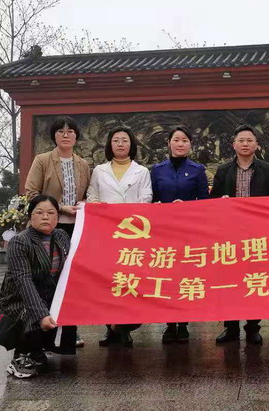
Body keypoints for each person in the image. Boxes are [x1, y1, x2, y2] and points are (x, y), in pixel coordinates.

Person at [24, 115, 90, 348]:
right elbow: (31, 193)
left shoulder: (83, 164)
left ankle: (71, 330)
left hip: (75, 229)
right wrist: (60, 208)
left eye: (70, 131)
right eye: (61, 131)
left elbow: (87, 195)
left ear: (76, 137)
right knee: (46, 277)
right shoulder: (42, 160)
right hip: (49, 227)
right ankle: (42, 327)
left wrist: (85, 204)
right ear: (54, 136)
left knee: (71, 279)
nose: (65, 135)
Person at [211, 124, 269, 344]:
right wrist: (220, 202)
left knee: (254, 281)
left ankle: (253, 327)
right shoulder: (223, 170)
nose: (245, 144)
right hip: (230, 235)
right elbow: (212, 202)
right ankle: (231, 327)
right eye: (241, 140)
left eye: (250, 140)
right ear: (234, 145)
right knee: (229, 282)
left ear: (256, 144)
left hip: (258, 234)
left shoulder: (268, 170)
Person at [87, 126, 152, 346]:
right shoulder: (99, 171)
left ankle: (125, 327)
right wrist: (101, 207)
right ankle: (110, 328)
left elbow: (146, 198)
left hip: (133, 233)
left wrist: (127, 213)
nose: (120, 144)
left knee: (130, 280)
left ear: (131, 145)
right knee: (109, 281)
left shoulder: (142, 172)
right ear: (109, 145)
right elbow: (92, 196)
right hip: (107, 233)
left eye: (125, 140)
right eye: (116, 140)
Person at [0, 195, 74, 379]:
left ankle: (42, 347)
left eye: (51, 213)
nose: (45, 217)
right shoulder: (20, 242)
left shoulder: (61, 236)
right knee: (33, 310)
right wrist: (41, 314)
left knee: (65, 305)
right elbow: (23, 280)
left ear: (57, 217)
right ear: (30, 216)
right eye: (39, 212)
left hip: (49, 292)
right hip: (20, 297)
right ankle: (23, 353)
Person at [150, 126, 209, 344]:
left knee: (185, 277)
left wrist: (187, 207)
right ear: (169, 143)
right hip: (163, 232)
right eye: (176, 140)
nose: (180, 144)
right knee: (166, 277)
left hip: (188, 232)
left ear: (190, 144)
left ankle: (183, 323)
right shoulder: (157, 170)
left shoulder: (197, 170)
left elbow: (204, 202)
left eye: (185, 140)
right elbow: (150, 199)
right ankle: (169, 323)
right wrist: (158, 207)